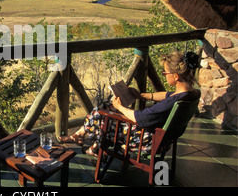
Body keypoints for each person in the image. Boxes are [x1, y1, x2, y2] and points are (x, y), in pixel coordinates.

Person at [59, 51, 200, 156]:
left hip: (146, 142)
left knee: (101, 113)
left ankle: (87, 139)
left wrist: (119, 107)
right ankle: (85, 138)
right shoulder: (190, 94)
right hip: (165, 139)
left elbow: (140, 118)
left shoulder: (171, 103)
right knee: (105, 107)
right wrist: (141, 95)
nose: (164, 75)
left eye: (165, 73)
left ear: (175, 76)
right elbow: (166, 95)